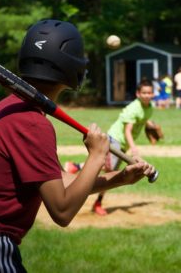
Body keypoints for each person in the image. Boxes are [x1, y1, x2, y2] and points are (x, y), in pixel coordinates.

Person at [0, 19, 155, 272]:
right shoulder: (31, 123)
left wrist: (120, 178)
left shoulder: (12, 107)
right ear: (71, 66)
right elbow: (62, 210)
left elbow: (59, 182)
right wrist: (96, 156)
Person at [65, 79, 159, 216]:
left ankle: (76, 167)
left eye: (149, 93)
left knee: (108, 169)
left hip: (122, 144)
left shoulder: (149, 108)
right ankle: (97, 203)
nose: (146, 95)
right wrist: (134, 148)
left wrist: (150, 130)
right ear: (138, 94)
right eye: (144, 92)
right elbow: (128, 130)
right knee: (110, 171)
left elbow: (143, 121)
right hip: (115, 140)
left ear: (152, 94)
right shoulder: (134, 108)